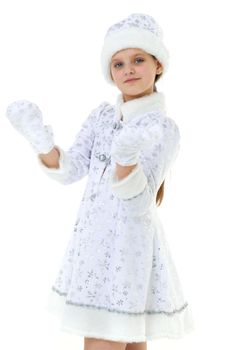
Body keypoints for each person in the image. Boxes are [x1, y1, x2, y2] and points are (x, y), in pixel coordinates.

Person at [5, 13, 195, 350]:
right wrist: (41, 142)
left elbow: (138, 202)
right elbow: (71, 169)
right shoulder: (103, 116)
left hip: (128, 249)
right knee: (130, 344)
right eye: (118, 64)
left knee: (105, 339)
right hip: (93, 246)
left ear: (158, 65)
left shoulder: (162, 128)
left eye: (138, 60)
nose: (129, 70)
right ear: (110, 73)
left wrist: (126, 160)